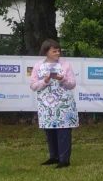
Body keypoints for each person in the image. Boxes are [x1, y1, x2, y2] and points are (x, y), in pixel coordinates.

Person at [29, 39, 78, 168]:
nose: (58, 53)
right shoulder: (38, 66)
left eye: (58, 51)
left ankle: (64, 160)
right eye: (54, 51)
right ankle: (54, 157)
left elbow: (72, 84)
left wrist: (63, 79)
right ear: (46, 52)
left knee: (63, 130)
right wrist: (45, 81)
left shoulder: (65, 65)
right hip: (47, 105)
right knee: (50, 131)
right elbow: (33, 86)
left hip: (63, 104)